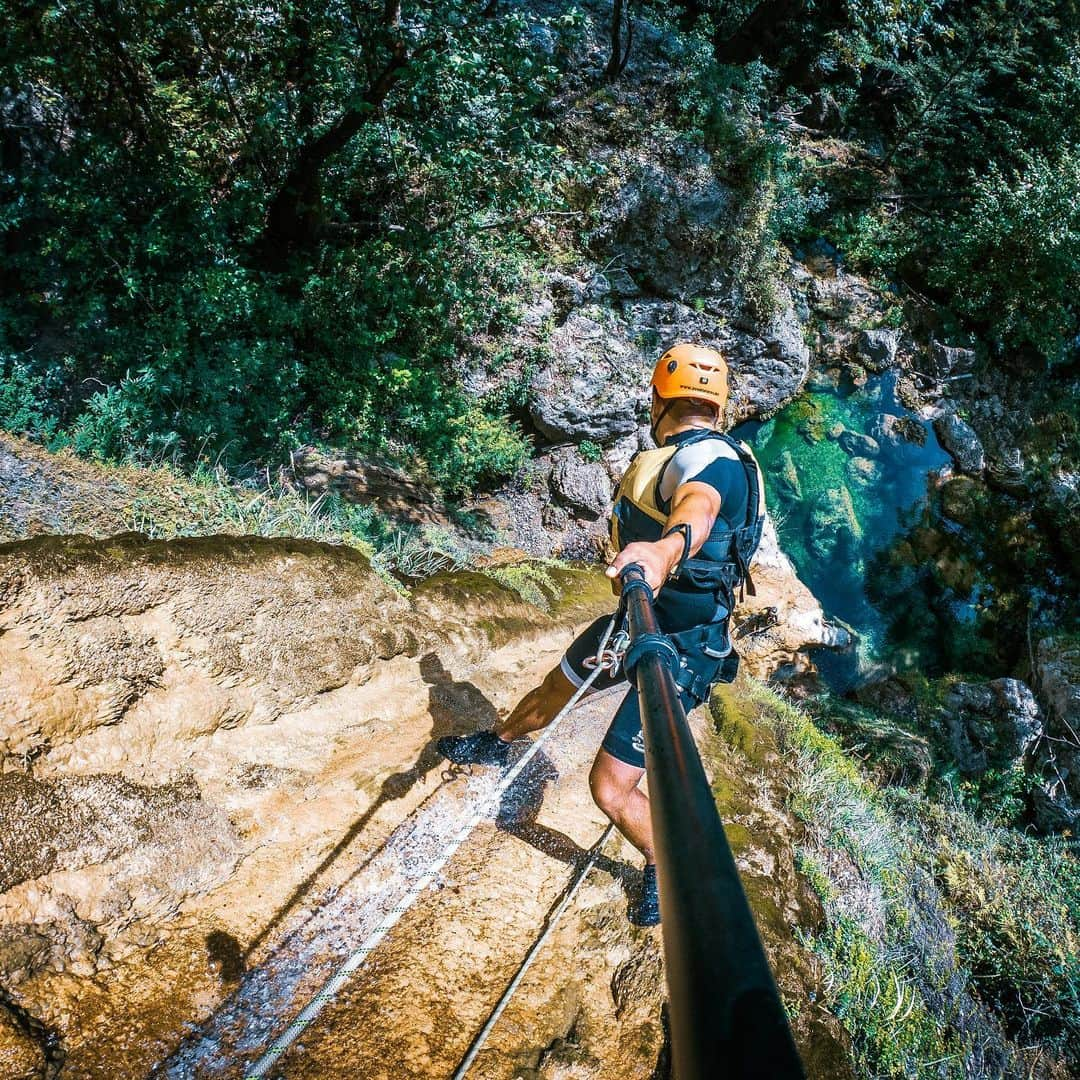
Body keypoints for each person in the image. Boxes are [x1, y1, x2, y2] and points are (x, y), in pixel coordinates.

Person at [438, 343, 766, 925]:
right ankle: (499, 742)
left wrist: (665, 550)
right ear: (719, 405)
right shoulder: (691, 453)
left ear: (657, 400)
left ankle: (662, 862)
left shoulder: (708, 462)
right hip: (637, 619)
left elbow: (700, 506)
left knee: (610, 788)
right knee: (551, 692)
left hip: (680, 650)